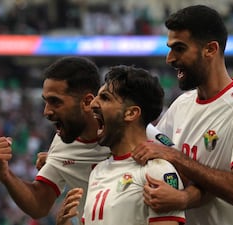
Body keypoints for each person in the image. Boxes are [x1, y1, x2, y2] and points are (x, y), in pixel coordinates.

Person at [132, 5, 233, 225]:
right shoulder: (181, 106)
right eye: (170, 48)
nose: (169, 58)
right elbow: (163, 161)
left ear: (210, 49)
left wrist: (175, 157)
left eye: (179, 48)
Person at [0, 57, 168, 224]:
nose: (46, 112)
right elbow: (39, 204)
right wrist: (5, 175)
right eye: (46, 102)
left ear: (87, 102)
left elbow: (179, 179)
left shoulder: (141, 136)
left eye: (55, 102)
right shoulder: (64, 143)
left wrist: (181, 190)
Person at [58, 65, 185, 225]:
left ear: (131, 113)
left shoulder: (157, 171)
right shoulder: (98, 171)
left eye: (105, 98)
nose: (93, 104)